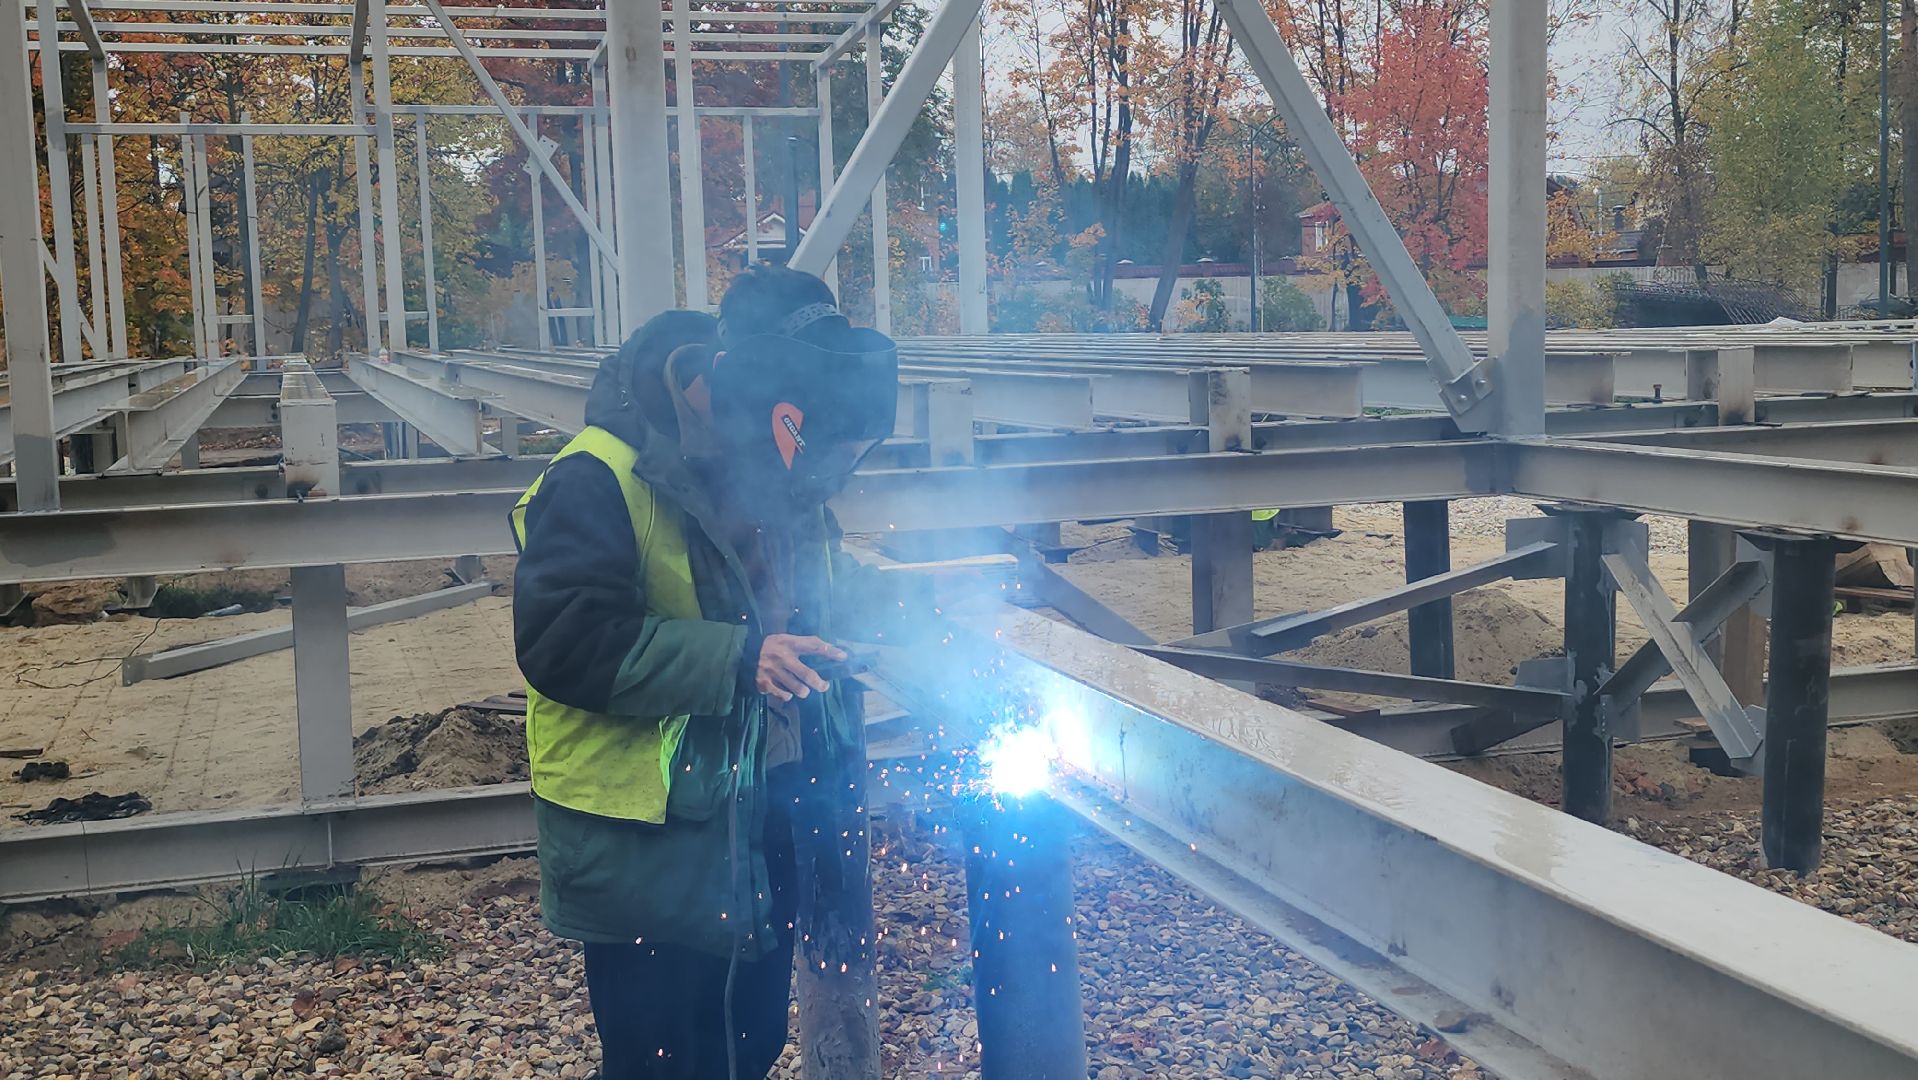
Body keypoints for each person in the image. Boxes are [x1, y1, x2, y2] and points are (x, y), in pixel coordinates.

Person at [510, 266, 915, 1079]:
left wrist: (923, 616)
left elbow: (822, 578)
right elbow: (561, 637)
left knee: (746, 1045)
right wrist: (738, 659)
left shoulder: (772, 457)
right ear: (762, 401)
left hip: (756, 811)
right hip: (647, 841)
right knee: (661, 1060)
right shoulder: (599, 475)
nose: (822, 476)